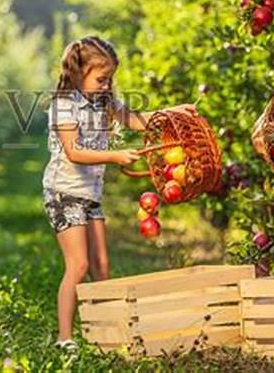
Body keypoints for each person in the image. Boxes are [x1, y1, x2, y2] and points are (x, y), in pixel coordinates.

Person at [42, 35, 196, 351]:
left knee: (102, 265)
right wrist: (115, 156)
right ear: (78, 73)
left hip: (89, 195)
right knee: (79, 265)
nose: (106, 84)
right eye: (101, 78)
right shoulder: (63, 106)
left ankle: (105, 333)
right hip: (64, 194)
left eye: (110, 78)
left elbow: (139, 121)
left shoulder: (105, 103)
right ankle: (65, 337)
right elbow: (74, 152)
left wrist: (174, 114)